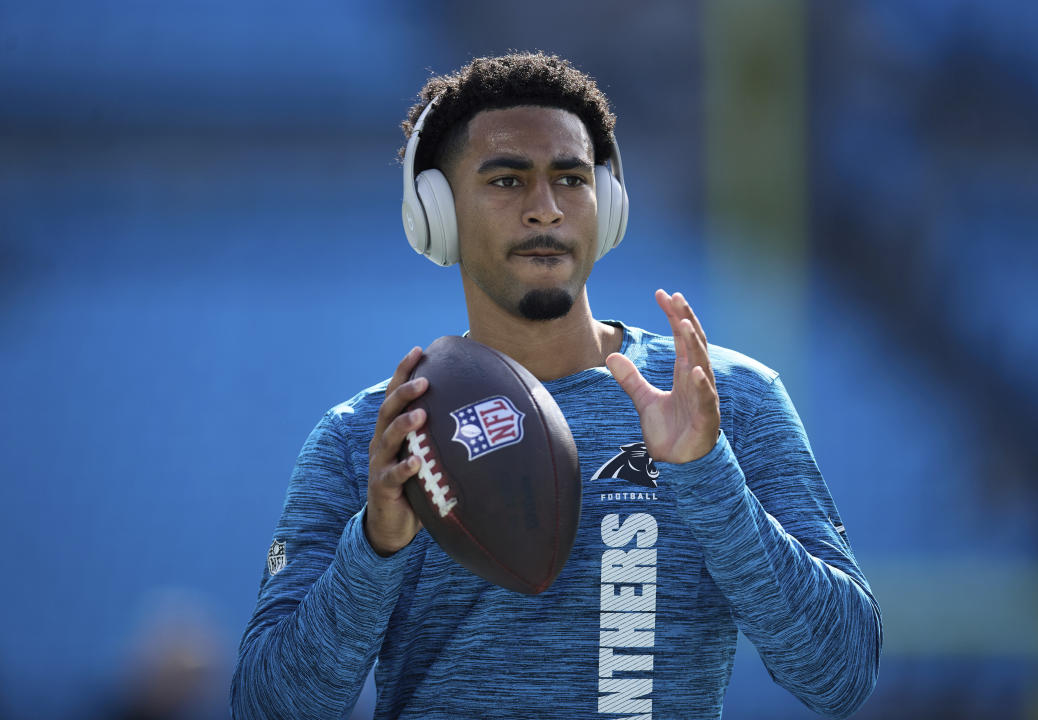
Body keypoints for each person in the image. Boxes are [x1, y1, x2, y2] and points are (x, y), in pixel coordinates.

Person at [230, 52, 881, 720]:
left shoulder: (725, 399)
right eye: (507, 180)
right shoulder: (369, 439)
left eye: (570, 179)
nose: (545, 210)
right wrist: (375, 546)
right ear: (437, 212)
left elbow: (841, 676)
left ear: (609, 206)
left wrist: (709, 475)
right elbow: (266, 707)